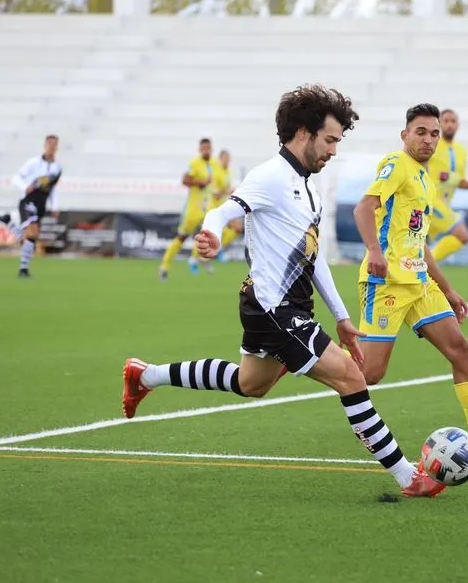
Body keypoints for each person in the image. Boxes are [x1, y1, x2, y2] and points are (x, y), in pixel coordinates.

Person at [122, 84, 444, 498]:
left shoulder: (309, 188)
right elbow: (221, 211)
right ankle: (408, 476)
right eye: (329, 140)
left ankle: (145, 374)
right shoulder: (270, 176)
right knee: (350, 377)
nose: (333, 151)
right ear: (304, 133)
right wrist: (211, 234)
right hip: (274, 308)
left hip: (276, 306)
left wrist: (342, 317)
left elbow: (314, 257)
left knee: (251, 383)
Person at [351, 104, 468, 460]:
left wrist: (447, 289)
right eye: (421, 132)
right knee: (370, 373)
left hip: (420, 283)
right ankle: (311, 354)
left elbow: (420, 243)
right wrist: (374, 250)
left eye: (434, 134)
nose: (429, 140)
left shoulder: (424, 178)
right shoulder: (396, 163)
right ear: (405, 135)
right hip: (386, 283)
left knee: (460, 348)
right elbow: (363, 207)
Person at [0, 135, 63, 277]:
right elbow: (16, 177)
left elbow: (53, 188)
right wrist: (25, 187)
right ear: (45, 145)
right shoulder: (33, 162)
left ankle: (23, 268)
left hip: (41, 203)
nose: (51, 146)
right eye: (49, 143)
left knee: (30, 237)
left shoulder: (57, 168)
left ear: (57, 147)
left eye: (54, 144)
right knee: (32, 233)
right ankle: (23, 270)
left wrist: (55, 206)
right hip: (29, 200)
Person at [426, 109, 468, 262]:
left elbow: (459, 181)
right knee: (462, 235)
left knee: (416, 247)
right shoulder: (431, 144)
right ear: (439, 124)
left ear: (458, 125)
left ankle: (420, 267)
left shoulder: (461, 151)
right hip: (429, 201)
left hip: (443, 204)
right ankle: (427, 265)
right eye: (446, 121)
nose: (450, 125)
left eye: (453, 121)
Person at [159, 138, 215, 279]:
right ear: (200, 149)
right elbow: (185, 180)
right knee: (182, 238)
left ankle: (195, 260)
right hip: (193, 210)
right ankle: (165, 266)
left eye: (208, 147)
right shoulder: (194, 163)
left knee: (208, 234)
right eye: (203, 148)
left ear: (211, 149)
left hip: (206, 208)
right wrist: (200, 182)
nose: (206, 150)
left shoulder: (212, 165)